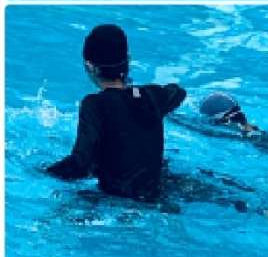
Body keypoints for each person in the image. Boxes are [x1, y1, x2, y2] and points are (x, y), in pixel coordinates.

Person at [46, 24, 186, 201]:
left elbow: (81, 164)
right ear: (129, 60)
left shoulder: (94, 104)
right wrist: (134, 90)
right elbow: (178, 92)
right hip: (156, 195)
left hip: (116, 201)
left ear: (90, 67)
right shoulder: (151, 96)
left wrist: (45, 172)